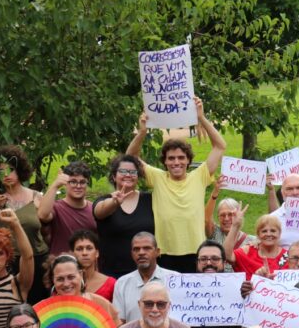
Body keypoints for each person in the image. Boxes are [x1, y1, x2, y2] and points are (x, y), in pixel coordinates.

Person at [126, 97, 226, 273]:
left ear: (188, 160)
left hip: (196, 252)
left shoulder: (199, 175)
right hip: (165, 254)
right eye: (171, 158)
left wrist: (201, 118)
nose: (176, 162)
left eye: (181, 158)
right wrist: (142, 132)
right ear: (164, 161)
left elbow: (220, 146)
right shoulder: (157, 177)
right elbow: (130, 158)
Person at [0, 145, 50, 303]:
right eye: (0, 172)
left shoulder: (35, 195)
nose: (6, 175)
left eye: (10, 169)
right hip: (7, 262)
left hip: (38, 259)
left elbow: (48, 217)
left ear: (19, 169)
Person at [92, 154, 155, 278]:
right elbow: (99, 212)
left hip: (145, 272)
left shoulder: (149, 200)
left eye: (133, 172)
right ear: (114, 176)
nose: (128, 174)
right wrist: (114, 202)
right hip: (112, 273)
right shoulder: (104, 200)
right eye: (123, 171)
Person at [112, 232, 178, 326]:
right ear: (132, 254)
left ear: (157, 252)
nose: (141, 253)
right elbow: (119, 323)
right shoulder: (122, 283)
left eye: (147, 248)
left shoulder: (176, 279)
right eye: (136, 249)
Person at [37, 161, 97, 256]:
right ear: (65, 183)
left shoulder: (94, 209)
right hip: (61, 267)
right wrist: (55, 185)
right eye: (73, 182)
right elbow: (42, 215)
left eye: (82, 182)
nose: (78, 186)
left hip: (88, 266)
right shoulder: (56, 207)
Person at [204, 179, 256, 271]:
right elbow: (207, 218)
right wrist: (214, 195)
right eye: (222, 215)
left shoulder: (252, 241)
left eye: (231, 214)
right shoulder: (215, 233)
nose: (226, 218)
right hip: (216, 281)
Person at [225, 206, 288, 279]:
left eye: (273, 231)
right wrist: (235, 226)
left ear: (279, 234)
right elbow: (227, 256)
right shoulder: (248, 252)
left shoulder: (287, 256)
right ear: (258, 235)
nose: (268, 234)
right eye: (264, 231)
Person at [69, 229, 116, 302]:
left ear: (97, 253)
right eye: (79, 249)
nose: (84, 253)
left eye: (89, 248)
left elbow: (116, 312)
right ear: (72, 254)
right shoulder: (64, 283)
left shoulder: (111, 284)